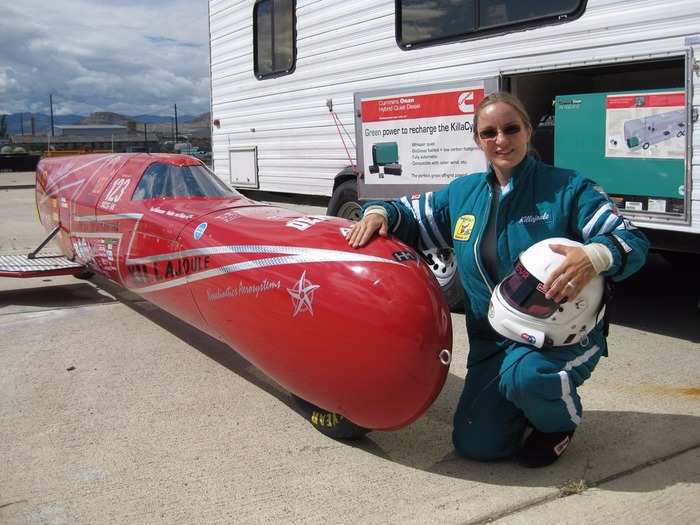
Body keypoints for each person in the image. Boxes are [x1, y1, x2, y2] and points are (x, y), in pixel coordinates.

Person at [346, 92, 649, 467]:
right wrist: (378, 212)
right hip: (492, 342)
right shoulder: (463, 193)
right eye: (489, 133)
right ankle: (522, 398)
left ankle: (559, 424)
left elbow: (630, 239)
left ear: (527, 132)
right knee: (478, 445)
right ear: (477, 140)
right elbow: (407, 214)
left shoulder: (569, 189)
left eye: (510, 129)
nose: (501, 140)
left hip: (558, 341)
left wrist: (595, 255)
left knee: (528, 377)